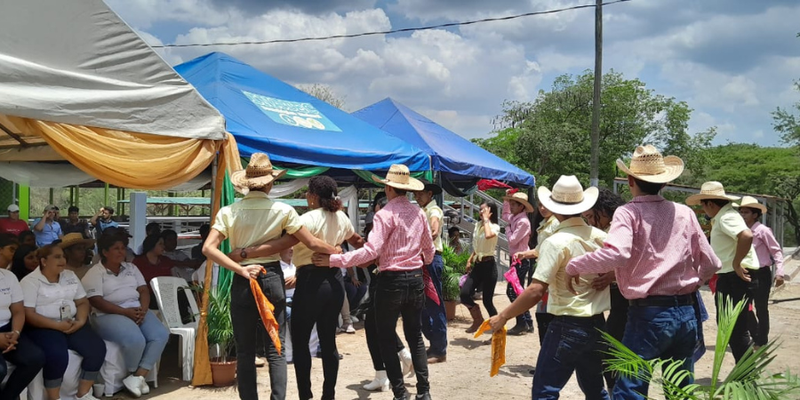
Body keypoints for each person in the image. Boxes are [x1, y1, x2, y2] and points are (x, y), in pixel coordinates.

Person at [566, 145, 722, 399]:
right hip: (685, 311)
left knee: (631, 388)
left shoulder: (628, 212)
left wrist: (574, 266)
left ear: (630, 180)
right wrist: (693, 281)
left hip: (647, 313)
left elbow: (617, 254)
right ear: (664, 182)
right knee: (679, 389)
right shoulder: (684, 212)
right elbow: (712, 263)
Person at [202, 153, 341, 400]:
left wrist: (242, 264)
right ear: (270, 183)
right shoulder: (283, 210)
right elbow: (307, 241)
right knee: (275, 348)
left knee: (244, 351)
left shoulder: (229, 211)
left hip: (243, 280)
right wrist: (337, 251)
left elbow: (208, 248)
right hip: (272, 278)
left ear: (246, 183)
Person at [314, 164, 436, 400]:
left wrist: (335, 260)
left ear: (388, 188)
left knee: (386, 336)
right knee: (415, 336)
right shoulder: (419, 213)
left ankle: (400, 393)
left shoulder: (384, 215)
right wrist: (418, 260)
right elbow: (429, 251)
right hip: (414, 277)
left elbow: (371, 251)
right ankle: (424, 391)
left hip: (391, 280)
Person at [489, 175, 609, 400]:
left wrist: (503, 316)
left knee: (545, 391)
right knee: (595, 389)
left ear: (555, 207)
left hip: (567, 322)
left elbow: (536, 290)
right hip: (596, 323)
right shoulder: (601, 237)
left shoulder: (556, 242)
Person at [268, 176, 363, 400]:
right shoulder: (341, 217)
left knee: (301, 342)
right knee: (328, 340)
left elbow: (284, 244)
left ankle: (305, 395)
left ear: (312, 196)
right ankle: (328, 395)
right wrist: (341, 252)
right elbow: (358, 240)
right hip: (334, 281)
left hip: (310, 283)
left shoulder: (307, 219)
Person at [82, 233, 170, 398]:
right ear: (105, 252)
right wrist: (124, 312)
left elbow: (143, 290)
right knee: (136, 339)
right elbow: (96, 301)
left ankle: (137, 377)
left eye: (123, 248)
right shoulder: (95, 272)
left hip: (136, 309)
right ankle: (133, 374)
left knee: (161, 334)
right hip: (106, 314)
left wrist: (143, 310)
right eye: (116, 248)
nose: (121, 252)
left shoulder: (131, 268)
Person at [687, 181, 759, 364]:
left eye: (703, 205)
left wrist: (736, 263)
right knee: (731, 327)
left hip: (734, 276)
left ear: (710, 204)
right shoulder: (724, 216)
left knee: (734, 328)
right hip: (729, 276)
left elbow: (746, 235)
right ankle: (744, 374)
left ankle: (746, 377)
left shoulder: (726, 217)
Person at [21, 245, 106, 400]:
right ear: (44, 261)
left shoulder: (70, 275)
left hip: (71, 323)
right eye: (57, 257)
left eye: (63, 257)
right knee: (57, 354)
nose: (62, 260)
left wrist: (80, 321)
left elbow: (82, 302)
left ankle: (83, 394)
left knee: (97, 348)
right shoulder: (30, 281)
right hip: (43, 327)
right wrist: (56, 326)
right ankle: (55, 398)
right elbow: (28, 314)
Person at [360, 195, 414, 393]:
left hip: (383, 283)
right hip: (393, 281)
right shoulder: (403, 223)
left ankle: (384, 375)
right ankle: (400, 360)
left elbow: (371, 254)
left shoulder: (384, 223)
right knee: (379, 326)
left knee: (375, 326)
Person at [581, 188, 628, 390]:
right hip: (618, 299)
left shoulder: (622, 226)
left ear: (604, 210)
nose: (590, 222)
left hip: (628, 300)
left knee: (610, 352)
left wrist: (612, 275)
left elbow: (634, 259)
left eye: (592, 216)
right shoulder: (609, 228)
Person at [735, 196, 784, 349]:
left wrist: (780, 272)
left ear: (755, 214)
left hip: (761, 273)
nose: (743, 215)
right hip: (745, 272)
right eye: (741, 211)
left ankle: (761, 340)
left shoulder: (762, 230)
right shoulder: (739, 230)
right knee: (745, 306)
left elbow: (776, 251)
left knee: (761, 307)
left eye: (746, 212)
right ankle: (755, 336)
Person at [0, 253, 45, 400]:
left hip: (8, 329)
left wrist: (16, 332)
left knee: (35, 358)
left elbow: (18, 311)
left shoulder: (8, 277)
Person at [413, 181, 448, 364]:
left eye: (421, 193)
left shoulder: (434, 210)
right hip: (427, 260)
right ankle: (435, 345)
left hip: (431, 259)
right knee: (426, 305)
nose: (417, 196)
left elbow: (434, 229)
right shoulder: (424, 211)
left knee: (434, 304)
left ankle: (439, 349)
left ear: (430, 195)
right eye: (416, 194)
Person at [516, 202, 559, 344]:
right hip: (545, 273)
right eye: (540, 205)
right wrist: (525, 254)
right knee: (543, 316)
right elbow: (540, 249)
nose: (542, 208)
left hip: (551, 277)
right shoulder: (545, 224)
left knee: (546, 317)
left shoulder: (555, 225)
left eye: (546, 205)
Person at [460, 202, 500, 333]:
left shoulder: (495, 226)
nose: (481, 211)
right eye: (480, 209)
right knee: (464, 294)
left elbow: (488, 235)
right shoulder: (477, 225)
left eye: (484, 209)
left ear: (491, 212)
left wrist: (487, 220)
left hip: (489, 266)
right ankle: (478, 319)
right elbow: (477, 246)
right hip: (478, 265)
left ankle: (497, 330)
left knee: (487, 301)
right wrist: (470, 259)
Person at [501, 190, 534, 336]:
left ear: (522, 207)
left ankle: (523, 323)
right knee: (517, 291)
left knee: (513, 292)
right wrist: (506, 202)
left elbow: (513, 239)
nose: (511, 207)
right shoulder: (516, 218)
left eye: (514, 204)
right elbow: (505, 215)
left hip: (521, 260)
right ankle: (527, 322)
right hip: (516, 259)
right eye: (511, 204)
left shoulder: (523, 222)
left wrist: (507, 229)